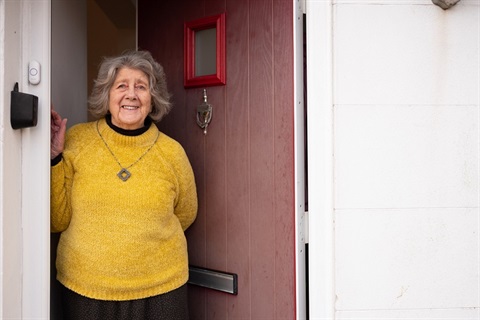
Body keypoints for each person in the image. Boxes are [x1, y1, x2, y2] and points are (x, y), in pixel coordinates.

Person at [50, 50, 198, 320]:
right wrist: (55, 158)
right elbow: (56, 221)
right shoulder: (77, 140)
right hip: (86, 289)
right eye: (121, 86)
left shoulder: (172, 152)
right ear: (106, 95)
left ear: (152, 99)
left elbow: (186, 213)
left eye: (141, 87)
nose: (131, 94)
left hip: (161, 290)